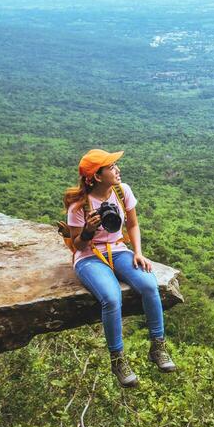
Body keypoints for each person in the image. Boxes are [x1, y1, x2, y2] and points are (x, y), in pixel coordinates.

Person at [65, 148, 177, 388]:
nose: (118, 170)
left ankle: (158, 347)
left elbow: (133, 224)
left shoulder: (121, 191)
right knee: (112, 297)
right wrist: (87, 231)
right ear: (96, 176)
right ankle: (117, 359)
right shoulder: (79, 206)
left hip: (119, 250)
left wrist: (138, 252)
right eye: (112, 167)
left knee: (149, 285)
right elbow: (77, 245)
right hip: (88, 257)